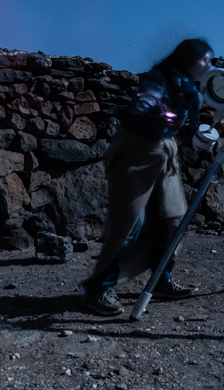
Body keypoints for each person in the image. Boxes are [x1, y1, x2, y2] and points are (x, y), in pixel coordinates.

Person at [80, 38, 214, 316]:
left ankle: (162, 279)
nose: (209, 66)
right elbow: (144, 107)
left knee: (175, 217)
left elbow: (187, 129)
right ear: (190, 59)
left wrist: (208, 129)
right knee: (130, 222)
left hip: (164, 151)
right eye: (206, 60)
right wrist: (163, 114)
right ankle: (99, 289)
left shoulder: (192, 90)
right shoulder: (159, 78)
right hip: (138, 149)